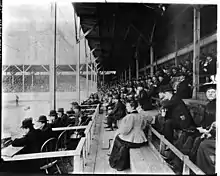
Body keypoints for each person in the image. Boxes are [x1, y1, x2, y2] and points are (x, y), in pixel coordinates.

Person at [109, 99, 148, 171]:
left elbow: (125, 131)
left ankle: (115, 161)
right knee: (120, 140)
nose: (126, 108)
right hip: (141, 139)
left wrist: (120, 130)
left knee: (117, 139)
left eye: (127, 106)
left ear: (132, 107)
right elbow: (143, 126)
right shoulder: (141, 115)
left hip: (133, 141)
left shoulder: (129, 117)